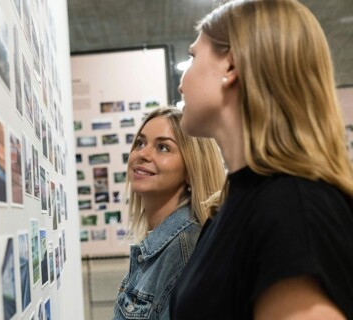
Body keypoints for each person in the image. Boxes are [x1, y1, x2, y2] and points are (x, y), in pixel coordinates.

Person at [169, 0, 353, 319]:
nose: (181, 82)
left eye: (192, 57)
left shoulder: (293, 210)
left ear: (231, 67)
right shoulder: (234, 204)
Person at [112, 107, 225, 319]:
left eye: (163, 147)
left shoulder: (186, 248)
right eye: (140, 143)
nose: (143, 154)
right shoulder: (160, 245)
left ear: (192, 169)